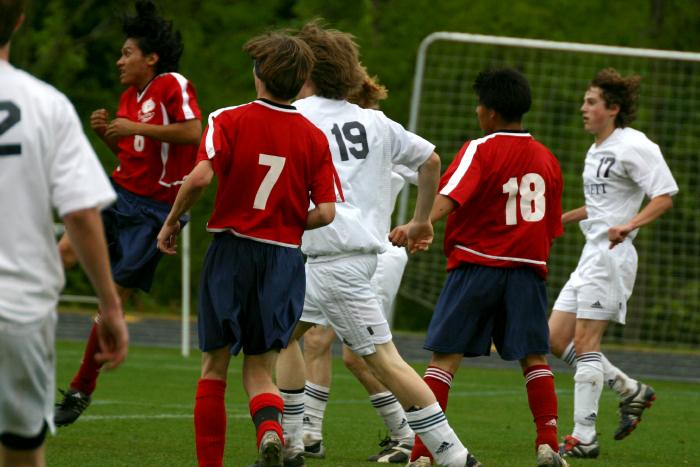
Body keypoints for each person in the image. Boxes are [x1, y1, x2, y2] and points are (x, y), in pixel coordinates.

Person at [276, 22, 481, 467]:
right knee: (279, 340)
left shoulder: (295, 114)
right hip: (341, 258)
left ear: (304, 69)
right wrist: (421, 221)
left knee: (383, 361)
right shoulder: (374, 121)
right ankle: (295, 442)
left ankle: (454, 456)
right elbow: (430, 159)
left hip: (334, 258)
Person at [156, 30, 340, 467]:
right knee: (260, 368)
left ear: (258, 74)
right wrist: (288, 219)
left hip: (232, 252)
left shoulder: (228, 118)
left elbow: (200, 178)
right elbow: (327, 213)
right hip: (281, 259)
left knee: (214, 367)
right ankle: (272, 431)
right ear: (301, 82)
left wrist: (171, 221)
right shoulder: (314, 137)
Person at [391, 68, 568, 467]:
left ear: (488, 112)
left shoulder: (480, 148)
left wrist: (420, 224)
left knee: (444, 361)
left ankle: (423, 454)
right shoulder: (548, 159)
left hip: (476, 267)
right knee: (535, 360)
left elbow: (450, 196)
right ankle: (548, 445)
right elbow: (550, 227)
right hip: (527, 270)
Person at [54, 0, 202, 426]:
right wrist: (107, 135)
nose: (120, 61)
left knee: (112, 300)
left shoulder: (173, 83)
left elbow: (193, 133)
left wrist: (133, 128)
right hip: (118, 194)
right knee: (62, 253)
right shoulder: (128, 96)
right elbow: (135, 153)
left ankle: (82, 388)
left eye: (127, 53)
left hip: (154, 212)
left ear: (151, 58)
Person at [0, 1, 129, 466]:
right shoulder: (46, 104)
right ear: (18, 20)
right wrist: (111, 308)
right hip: (19, 310)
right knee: (22, 450)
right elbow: (80, 213)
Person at [549, 68, 678, 459]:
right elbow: (601, 207)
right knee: (555, 338)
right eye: (585, 101)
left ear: (613, 108)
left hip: (612, 258)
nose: (583, 108)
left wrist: (630, 225)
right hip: (591, 254)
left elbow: (664, 195)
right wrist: (558, 221)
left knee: (587, 343)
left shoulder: (634, 146)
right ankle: (628, 388)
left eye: (591, 102)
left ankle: (584, 436)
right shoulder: (595, 150)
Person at [299, 69, 419, 464]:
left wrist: (420, 222)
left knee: (361, 354)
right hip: (351, 252)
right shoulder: (356, 135)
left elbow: (435, 171)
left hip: (374, 253)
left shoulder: (377, 138)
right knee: (314, 340)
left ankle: (408, 434)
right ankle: (310, 432)